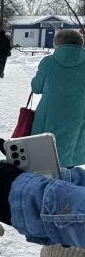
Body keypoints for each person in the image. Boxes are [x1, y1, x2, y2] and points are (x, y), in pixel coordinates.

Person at [31, 28, 85, 166]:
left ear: (57, 43)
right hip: (80, 113)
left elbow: (36, 88)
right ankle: (68, 180)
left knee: (46, 152)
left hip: (49, 114)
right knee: (74, 150)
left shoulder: (48, 62)